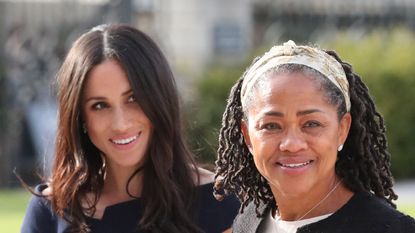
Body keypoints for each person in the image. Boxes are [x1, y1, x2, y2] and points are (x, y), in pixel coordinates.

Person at [21, 24, 239, 233]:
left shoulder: (219, 203)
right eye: (99, 105)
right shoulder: (51, 211)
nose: (120, 124)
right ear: (80, 118)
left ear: (159, 99)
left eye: (133, 98)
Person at [214, 40, 415, 233]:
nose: (292, 144)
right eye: (272, 126)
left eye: (311, 124)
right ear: (248, 136)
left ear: (342, 130)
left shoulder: (391, 229)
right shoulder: (246, 222)